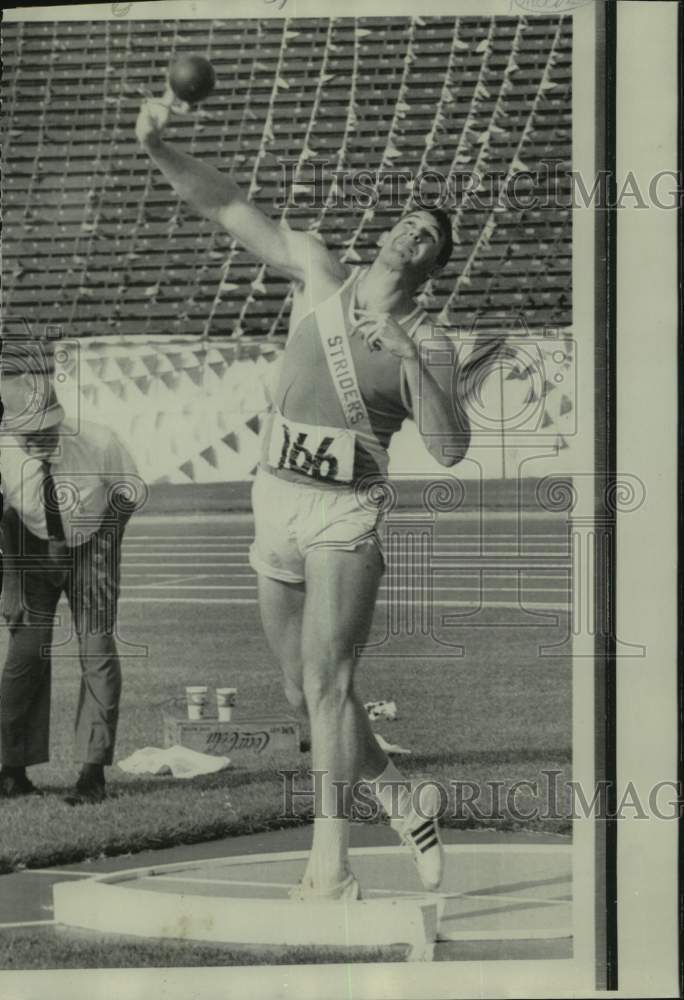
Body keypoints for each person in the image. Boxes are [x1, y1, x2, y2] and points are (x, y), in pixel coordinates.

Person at [136, 94, 472, 899]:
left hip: (344, 512)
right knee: (299, 689)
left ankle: (331, 865)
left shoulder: (429, 338)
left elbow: (451, 445)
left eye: (429, 236)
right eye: (408, 222)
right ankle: (400, 792)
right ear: (389, 235)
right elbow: (226, 205)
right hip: (275, 498)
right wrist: (157, 146)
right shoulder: (320, 270)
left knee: (329, 684)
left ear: (432, 265)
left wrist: (411, 360)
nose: (412, 233)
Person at [0, 342, 143, 804]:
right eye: (30, 433)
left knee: (97, 652)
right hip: (27, 548)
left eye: (49, 428)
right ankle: (12, 770)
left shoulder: (99, 439)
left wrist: (105, 543)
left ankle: (91, 772)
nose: (42, 438)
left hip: (92, 544)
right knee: (25, 657)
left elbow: (127, 494)